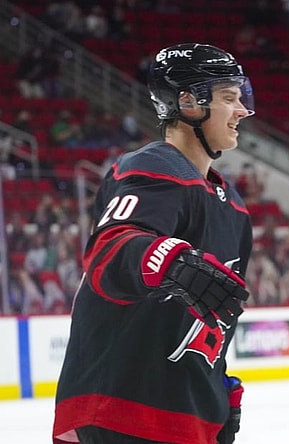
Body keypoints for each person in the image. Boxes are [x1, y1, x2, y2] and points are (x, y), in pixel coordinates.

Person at [53, 43, 256, 444]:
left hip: (190, 415)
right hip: (123, 412)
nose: (243, 111)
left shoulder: (233, 205)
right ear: (189, 102)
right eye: (229, 98)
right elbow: (111, 251)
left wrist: (217, 388)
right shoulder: (153, 166)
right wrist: (171, 258)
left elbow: (216, 314)